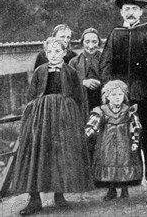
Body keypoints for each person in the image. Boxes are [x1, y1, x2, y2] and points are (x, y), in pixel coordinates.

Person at [11, 37, 92, 216]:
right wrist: (34, 112)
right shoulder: (40, 71)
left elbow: (78, 96)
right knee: (37, 152)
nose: (53, 55)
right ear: (45, 54)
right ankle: (34, 199)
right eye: (50, 52)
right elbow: (32, 94)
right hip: (42, 115)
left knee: (60, 152)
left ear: (64, 53)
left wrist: (76, 118)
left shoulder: (71, 71)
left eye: (57, 51)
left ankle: (59, 194)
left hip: (64, 116)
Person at [99, 0, 147, 194]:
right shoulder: (115, 34)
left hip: (144, 95)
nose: (130, 12)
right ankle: (120, 181)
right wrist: (109, 91)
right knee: (119, 138)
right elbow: (105, 64)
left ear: (141, 12)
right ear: (121, 12)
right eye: (127, 9)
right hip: (121, 98)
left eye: (134, 9)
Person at [86, 80, 143, 201]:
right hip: (107, 144)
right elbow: (92, 126)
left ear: (124, 96)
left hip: (124, 143)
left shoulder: (129, 110)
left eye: (120, 95)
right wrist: (85, 136)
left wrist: (135, 142)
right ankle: (111, 190)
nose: (117, 98)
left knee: (124, 163)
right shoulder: (101, 110)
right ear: (107, 96)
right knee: (109, 164)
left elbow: (136, 127)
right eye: (113, 95)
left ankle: (124, 189)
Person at [69, 28, 102, 112]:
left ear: (99, 43)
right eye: (87, 42)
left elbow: (113, 79)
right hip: (82, 101)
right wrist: (83, 82)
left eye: (94, 42)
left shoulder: (105, 60)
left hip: (102, 99)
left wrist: (101, 83)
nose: (91, 46)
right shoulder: (74, 62)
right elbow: (68, 82)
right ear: (82, 43)